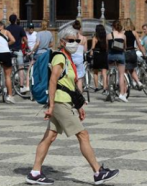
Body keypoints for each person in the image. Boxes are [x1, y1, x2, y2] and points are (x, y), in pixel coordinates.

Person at [26, 26, 119, 185]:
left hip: (64, 101)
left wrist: (79, 105)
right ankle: (98, 172)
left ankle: (35, 172)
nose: (74, 43)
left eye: (76, 40)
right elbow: (53, 81)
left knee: (50, 136)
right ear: (62, 42)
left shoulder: (68, 59)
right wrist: (51, 105)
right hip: (60, 103)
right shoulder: (60, 57)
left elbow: (69, 85)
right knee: (83, 135)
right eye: (70, 40)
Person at [106, 20, 127, 102]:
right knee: (121, 75)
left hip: (111, 55)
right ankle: (121, 94)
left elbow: (107, 47)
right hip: (120, 55)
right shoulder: (123, 36)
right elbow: (125, 47)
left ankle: (109, 90)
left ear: (112, 27)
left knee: (109, 73)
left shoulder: (108, 35)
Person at [6, 14, 27, 93]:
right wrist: (26, 47)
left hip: (9, 50)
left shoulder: (7, 29)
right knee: (21, 68)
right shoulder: (20, 28)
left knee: (8, 69)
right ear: (15, 20)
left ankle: (8, 86)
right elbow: (25, 39)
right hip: (18, 50)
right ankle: (21, 86)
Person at [124, 19, 146, 89]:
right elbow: (139, 44)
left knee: (124, 70)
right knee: (132, 69)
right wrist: (144, 54)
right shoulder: (134, 33)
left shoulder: (122, 33)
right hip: (133, 52)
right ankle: (138, 82)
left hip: (126, 52)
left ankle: (126, 86)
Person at [71, 20, 88, 92]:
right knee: (80, 79)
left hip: (71, 59)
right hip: (79, 60)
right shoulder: (84, 38)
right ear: (80, 28)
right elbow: (85, 50)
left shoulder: (71, 37)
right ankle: (80, 96)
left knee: (71, 77)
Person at [90, 24, 108, 92]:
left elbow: (93, 47)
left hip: (97, 55)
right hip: (104, 54)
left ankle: (96, 87)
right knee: (104, 72)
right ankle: (105, 87)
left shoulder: (95, 38)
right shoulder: (105, 38)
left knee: (95, 72)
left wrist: (91, 54)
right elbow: (107, 47)